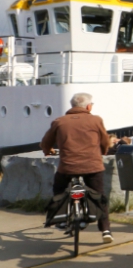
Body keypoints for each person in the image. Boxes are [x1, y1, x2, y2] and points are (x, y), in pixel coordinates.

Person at [41, 93, 112, 243]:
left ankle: (60, 219)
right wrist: (104, 151)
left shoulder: (59, 122)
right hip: (93, 166)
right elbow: (105, 141)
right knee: (100, 196)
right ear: (88, 106)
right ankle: (105, 230)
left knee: (59, 189)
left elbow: (46, 142)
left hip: (68, 167)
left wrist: (47, 151)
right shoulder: (96, 120)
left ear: (72, 106)